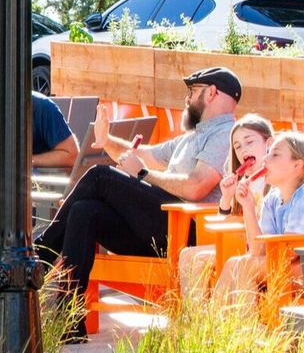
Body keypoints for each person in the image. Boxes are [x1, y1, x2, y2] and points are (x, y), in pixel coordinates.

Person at [36, 66, 244, 310]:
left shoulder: (225, 134)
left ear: (211, 93)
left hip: (186, 233)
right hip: (159, 227)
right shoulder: (193, 137)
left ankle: (41, 256)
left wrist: (144, 174)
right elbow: (144, 154)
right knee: (85, 210)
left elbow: (195, 186)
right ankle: (69, 314)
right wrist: (107, 140)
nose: (187, 99)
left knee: (101, 176)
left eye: (192, 91)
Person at [213, 130, 304, 297]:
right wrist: (248, 206)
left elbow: (289, 252)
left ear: (297, 165)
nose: (264, 159)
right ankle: (230, 315)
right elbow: (257, 252)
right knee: (238, 263)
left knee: (244, 266)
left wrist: (262, 258)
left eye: (275, 154)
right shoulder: (272, 199)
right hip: (288, 268)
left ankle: (231, 315)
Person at [177, 113, 273, 294]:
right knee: (187, 254)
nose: (243, 150)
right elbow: (224, 227)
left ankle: (202, 311)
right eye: (238, 146)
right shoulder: (242, 183)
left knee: (200, 258)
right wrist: (226, 199)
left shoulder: (275, 181)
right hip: (237, 244)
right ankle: (192, 310)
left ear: (268, 144)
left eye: (249, 142)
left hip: (258, 250)